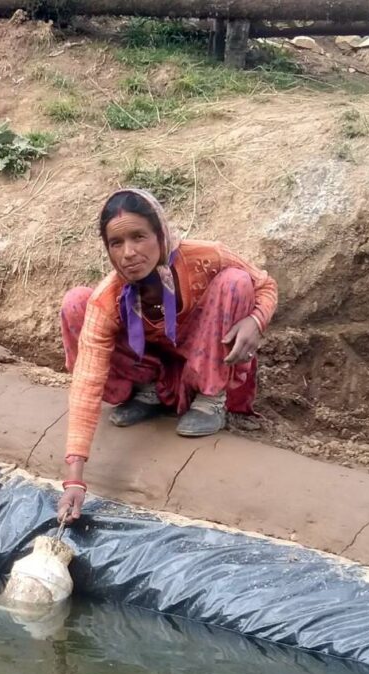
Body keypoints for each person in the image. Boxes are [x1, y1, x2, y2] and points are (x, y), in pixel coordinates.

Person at [57, 187, 278, 523]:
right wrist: (75, 477)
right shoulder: (111, 295)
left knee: (235, 282)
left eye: (139, 237)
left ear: (161, 235)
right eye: (116, 243)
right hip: (151, 364)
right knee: (76, 303)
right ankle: (149, 393)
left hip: (203, 354)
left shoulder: (205, 256)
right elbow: (87, 379)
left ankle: (210, 398)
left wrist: (256, 320)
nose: (129, 253)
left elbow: (265, 285)